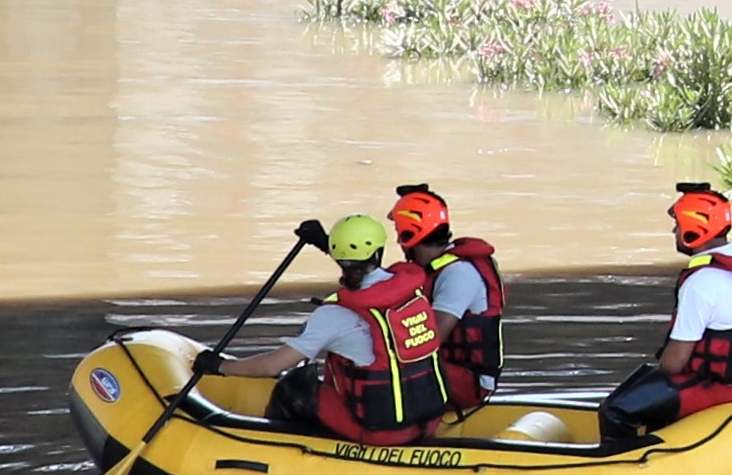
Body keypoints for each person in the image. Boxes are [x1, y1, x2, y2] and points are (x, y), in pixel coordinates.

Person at [201, 213, 452, 445]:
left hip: (381, 431)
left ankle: (284, 453)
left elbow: (272, 366)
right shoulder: (410, 293)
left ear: (339, 257)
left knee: (293, 387)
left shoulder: (334, 315)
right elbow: (365, 273)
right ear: (379, 252)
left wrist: (219, 366)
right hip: (426, 420)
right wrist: (325, 244)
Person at [600, 183, 732, 439]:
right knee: (645, 388)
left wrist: (655, 383)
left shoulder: (701, 282)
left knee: (616, 410)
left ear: (694, 228)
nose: (674, 230)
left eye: (678, 225)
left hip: (717, 387)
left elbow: (675, 361)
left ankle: (624, 469)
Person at [388, 184, 507, 412]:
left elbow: (429, 340)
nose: (397, 242)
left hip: (468, 381)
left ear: (410, 234)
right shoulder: (437, 268)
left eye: (398, 232)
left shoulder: (458, 274)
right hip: (447, 369)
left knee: (380, 372)